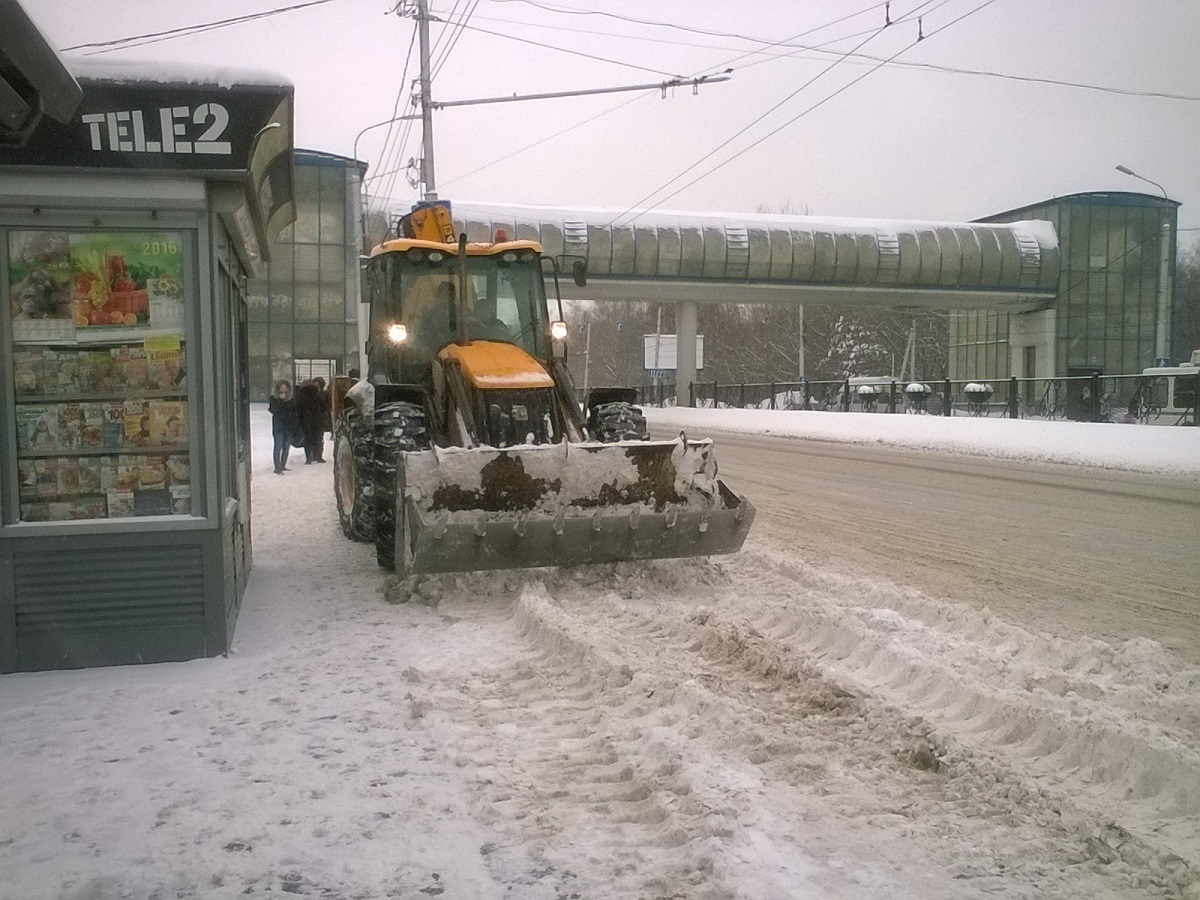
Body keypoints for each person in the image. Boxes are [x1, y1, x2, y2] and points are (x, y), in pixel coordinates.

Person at [268, 379, 298, 474]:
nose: (284, 389)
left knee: (286, 446)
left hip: (289, 426)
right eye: (282, 387)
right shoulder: (273, 398)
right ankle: (277, 467)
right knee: (278, 445)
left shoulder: (291, 398)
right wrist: (280, 400)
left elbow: (293, 410)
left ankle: (283, 465)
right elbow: (274, 410)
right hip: (278, 426)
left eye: (286, 387)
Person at [294, 378, 326, 464]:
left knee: (308, 440)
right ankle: (318, 456)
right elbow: (324, 407)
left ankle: (309, 458)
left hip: (305, 420)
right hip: (317, 420)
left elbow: (298, 409)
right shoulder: (317, 394)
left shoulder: (301, 396)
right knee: (318, 439)